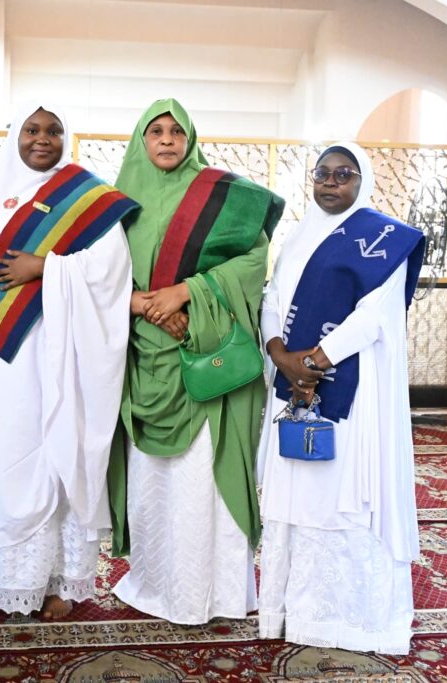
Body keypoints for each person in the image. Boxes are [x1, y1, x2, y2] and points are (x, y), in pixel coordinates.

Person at [0, 103, 136, 619]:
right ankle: (15, 581)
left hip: (60, 348)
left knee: (55, 453)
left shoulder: (87, 197)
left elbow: (111, 269)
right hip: (0, 359)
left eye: (54, 130)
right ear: (15, 135)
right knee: (6, 450)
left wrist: (45, 268)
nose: (42, 139)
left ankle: (60, 586)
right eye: (32, 129)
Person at [107, 98, 283, 624]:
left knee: (200, 479)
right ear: (141, 139)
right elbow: (96, 274)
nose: (166, 140)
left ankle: (217, 593)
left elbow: (254, 259)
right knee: (154, 482)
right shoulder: (115, 203)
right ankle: (157, 581)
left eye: (176, 132)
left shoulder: (223, 194)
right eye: (155, 131)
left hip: (205, 355)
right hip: (142, 358)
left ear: (191, 139)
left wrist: (188, 293)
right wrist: (149, 307)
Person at [256, 142, 425, 654]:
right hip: (293, 381)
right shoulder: (297, 238)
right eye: (323, 174)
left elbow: (375, 317)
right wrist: (281, 355)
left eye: (343, 174)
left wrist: (313, 361)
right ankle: (295, 614)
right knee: (297, 493)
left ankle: (352, 619)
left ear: (362, 181)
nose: (331, 183)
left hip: (354, 389)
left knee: (342, 495)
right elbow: (272, 301)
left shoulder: (384, 238)